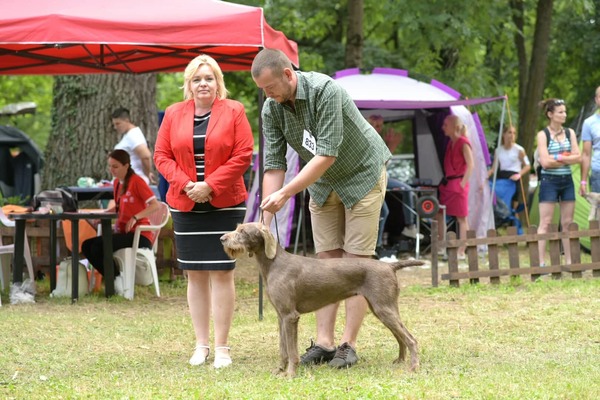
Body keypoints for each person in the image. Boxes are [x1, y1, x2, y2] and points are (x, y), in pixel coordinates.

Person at [251, 48, 391, 369]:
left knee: (355, 263)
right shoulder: (272, 109)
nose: (267, 95)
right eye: (263, 90)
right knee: (326, 261)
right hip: (322, 183)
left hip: (362, 174)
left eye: (270, 87)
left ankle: (348, 345)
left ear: (288, 74)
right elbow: (273, 164)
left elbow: (326, 153)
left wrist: (286, 193)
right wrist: (266, 216)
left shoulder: (326, 91)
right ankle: (325, 343)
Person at [154, 54, 254, 369]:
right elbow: (161, 155)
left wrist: (209, 185)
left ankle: (222, 347)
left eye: (209, 78)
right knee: (194, 274)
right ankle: (201, 345)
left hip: (225, 202)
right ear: (189, 84)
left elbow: (243, 155)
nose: (203, 84)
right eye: (197, 79)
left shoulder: (235, 110)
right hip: (185, 202)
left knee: (223, 272)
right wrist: (187, 185)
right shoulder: (172, 113)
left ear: (218, 82)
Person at [82, 149, 160, 295]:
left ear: (126, 165)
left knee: (99, 246)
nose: (112, 170)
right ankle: (117, 278)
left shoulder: (137, 182)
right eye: (110, 166)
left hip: (140, 235)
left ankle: (117, 282)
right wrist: (103, 214)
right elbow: (118, 208)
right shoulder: (117, 183)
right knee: (87, 246)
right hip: (124, 233)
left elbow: (155, 205)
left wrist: (136, 217)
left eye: (115, 166)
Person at [367, 115, 423, 251]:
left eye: (380, 126)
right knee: (383, 212)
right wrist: (391, 147)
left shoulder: (377, 139)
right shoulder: (367, 137)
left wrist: (389, 145)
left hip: (381, 177)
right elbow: (379, 163)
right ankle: (377, 245)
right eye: (376, 125)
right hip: (370, 180)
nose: (379, 129)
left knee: (407, 189)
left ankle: (410, 226)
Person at [536, 98, 581, 266]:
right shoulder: (543, 135)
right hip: (549, 181)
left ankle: (569, 261)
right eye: (560, 112)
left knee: (567, 222)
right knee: (545, 222)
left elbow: (578, 157)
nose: (564, 115)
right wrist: (565, 157)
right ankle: (541, 262)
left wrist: (556, 157)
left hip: (567, 180)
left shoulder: (570, 133)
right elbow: (545, 163)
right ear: (550, 115)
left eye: (565, 111)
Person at [436, 114, 474, 259]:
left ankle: (461, 250)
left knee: (461, 218)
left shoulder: (463, 142)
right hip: (448, 184)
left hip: (458, 183)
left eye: (446, 125)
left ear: (455, 127)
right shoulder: (450, 143)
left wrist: (462, 184)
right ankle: (442, 245)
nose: (443, 127)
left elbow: (471, 165)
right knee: (439, 213)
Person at [487, 125, 530, 231]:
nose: (512, 135)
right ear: (504, 135)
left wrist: (519, 174)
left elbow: (528, 165)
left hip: (514, 179)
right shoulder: (498, 150)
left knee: (513, 206)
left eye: (514, 133)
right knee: (499, 202)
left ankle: (516, 230)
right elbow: (494, 168)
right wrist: (485, 175)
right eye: (510, 132)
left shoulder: (519, 150)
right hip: (501, 180)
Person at [111, 107, 157, 185]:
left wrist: (147, 174)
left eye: (118, 123)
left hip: (132, 181)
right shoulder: (129, 135)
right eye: (114, 124)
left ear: (127, 120)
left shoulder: (133, 135)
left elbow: (145, 156)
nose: (116, 127)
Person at [580, 86, 600, 196]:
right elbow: (586, 154)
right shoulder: (589, 123)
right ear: (596, 99)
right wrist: (583, 181)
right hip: (598, 173)